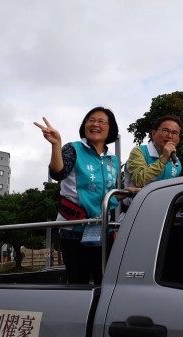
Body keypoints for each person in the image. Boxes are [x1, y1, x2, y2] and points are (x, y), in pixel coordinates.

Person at [34, 107, 137, 284]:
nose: (95, 124)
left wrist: (128, 192)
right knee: (78, 281)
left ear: (110, 128)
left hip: (102, 229)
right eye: (91, 120)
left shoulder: (112, 160)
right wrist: (56, 144)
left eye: (101, 121)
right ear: (85, 125)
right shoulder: (73, 149)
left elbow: (108, 197)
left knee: (105, 280)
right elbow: (58, 173)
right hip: (73, 229)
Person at [120, 116, 183, 219]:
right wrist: (163, 159)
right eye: (165, 130)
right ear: (153, 134)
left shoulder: (177, 163)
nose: (170, 136)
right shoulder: (139, 152)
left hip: (161, 216)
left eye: (175, 133)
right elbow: (139, 180)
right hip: (134, 216)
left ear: (178, 139)